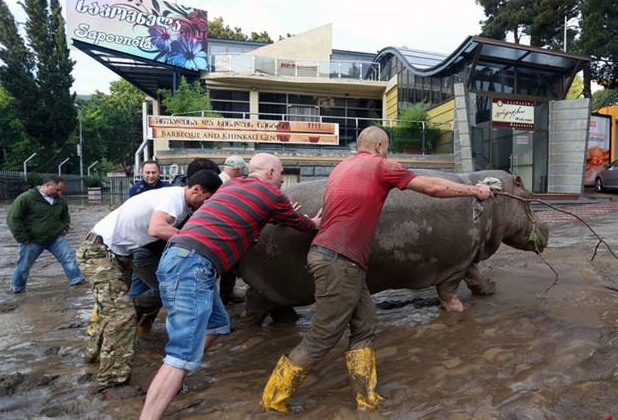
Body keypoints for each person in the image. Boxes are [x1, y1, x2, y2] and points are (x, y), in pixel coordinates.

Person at [261, 126, 494, 413]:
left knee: (365, 325)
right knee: (323, 335)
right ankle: (272, 400)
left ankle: (366, 398)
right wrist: (475, 190)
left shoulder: (343, 167)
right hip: (339, 261)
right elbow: (432, 187)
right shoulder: (380, 165)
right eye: (387, 148)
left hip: (340, 259)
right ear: (381, 146)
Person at [138, 153, 322, 420]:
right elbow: (301, 224)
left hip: (177, 256)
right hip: (194, 266)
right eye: (281, 172)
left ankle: (174, 378)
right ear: (270, 173)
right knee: (180, 353)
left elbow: (239, 216)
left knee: (216, 324)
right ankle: (157, 402)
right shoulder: (271, 194)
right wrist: (313, 223)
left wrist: (272, 216)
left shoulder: (232, 187)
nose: (283, 179)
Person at [76, 170, 222, 393]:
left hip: (117, 255)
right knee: (122, 316)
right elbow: (157, 228)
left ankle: (91, 357)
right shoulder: (173, 200)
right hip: (99, 252)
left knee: (111, 312)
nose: (207, 205)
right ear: (196, 190)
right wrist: (196, 242)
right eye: (208, 199)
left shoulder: (180, 204)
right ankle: (111, 384)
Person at [7, 175, 86, 293]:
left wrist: (65, 227)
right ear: (47, 185)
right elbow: (13, 218)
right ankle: (17, 289)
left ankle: (77, 281)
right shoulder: (26, 198)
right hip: (32, 239)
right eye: (57, 189)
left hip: (55, 237)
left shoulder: (60, 200)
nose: (59, 192)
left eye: (61, 190)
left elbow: (65, 215)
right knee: (24, 265)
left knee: (69, 258)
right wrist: (22, 237)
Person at [218, 154, 248, 304]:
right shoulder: (226, 184)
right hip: (222, 231)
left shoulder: (221, 180)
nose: (243, 174)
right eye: (242, 171)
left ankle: (227, 293)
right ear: (237, 170)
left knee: (228, 266)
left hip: (221, 230)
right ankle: (222, 297)